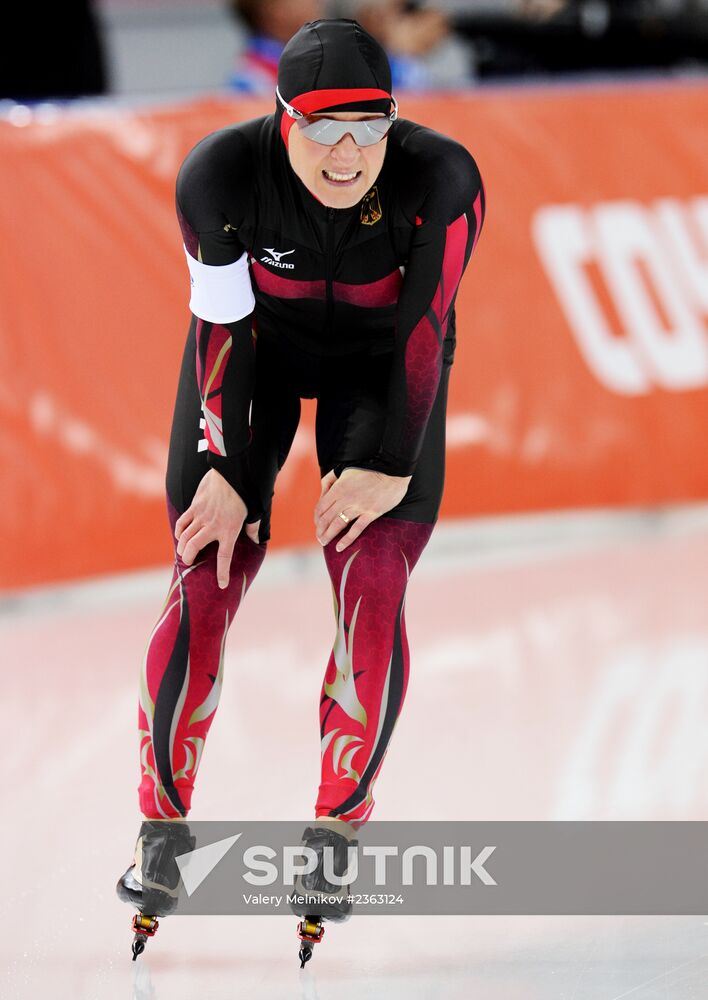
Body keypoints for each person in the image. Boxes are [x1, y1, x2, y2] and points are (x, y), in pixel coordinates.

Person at [116, 17, 485, 959]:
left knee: (372, 578)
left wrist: (390, 461)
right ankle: (163, 832)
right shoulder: (220, 176)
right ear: (280, 122)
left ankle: (335, 834)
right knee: (205, 569)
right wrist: (222, 469)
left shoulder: (441, 180)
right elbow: (221, 337)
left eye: (369, 125)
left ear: (396, 120)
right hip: (256, 364)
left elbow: (425, 329)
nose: (349, 152)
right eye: (323, 129)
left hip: (382, 377)